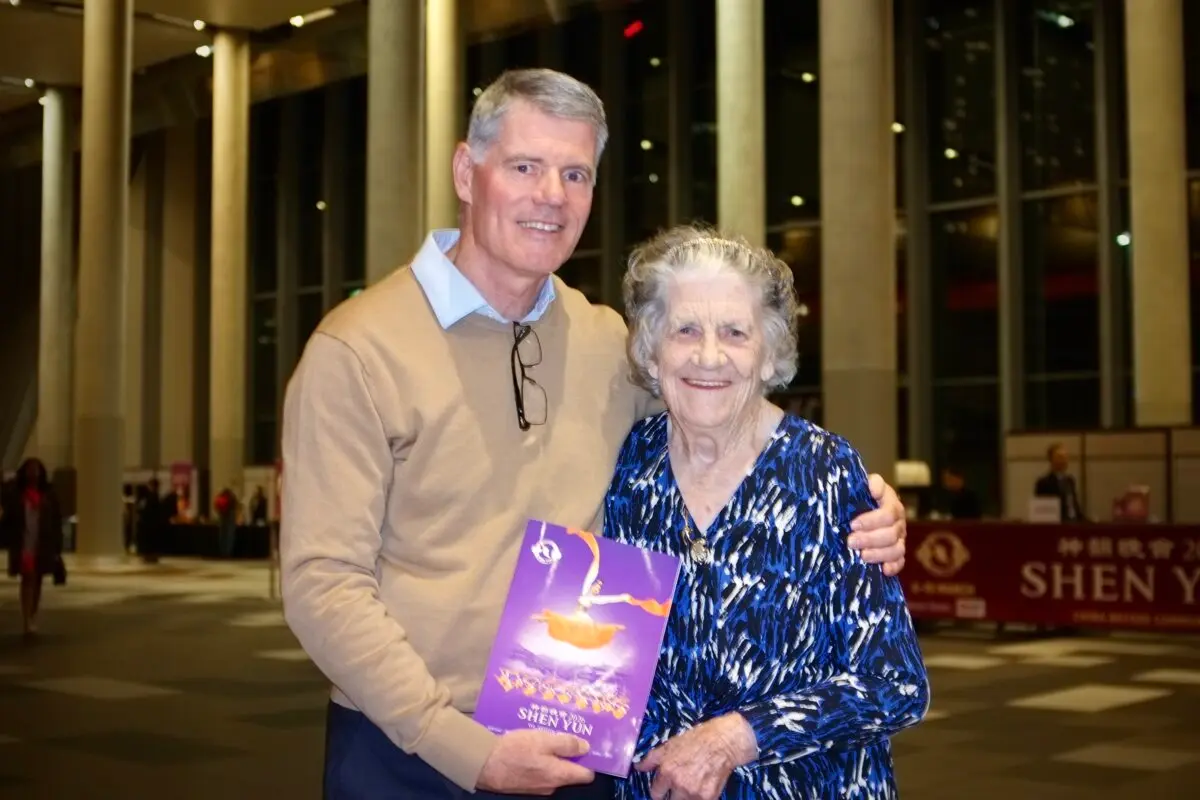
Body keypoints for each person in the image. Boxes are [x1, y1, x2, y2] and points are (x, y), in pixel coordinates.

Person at [280, 68, 909, 800]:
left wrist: (856, 498)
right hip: (410, 749)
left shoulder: (608, 342)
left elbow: (724, 422)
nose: (552, 195)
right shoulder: (359, 349)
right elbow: (322, 585)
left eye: (575, 173)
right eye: (525, 166)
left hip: (577, 744)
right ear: (465, 169)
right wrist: (460, 747)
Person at [605, 226, 928, 799]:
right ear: (651, 351)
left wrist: (735, 737)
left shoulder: (824, 473)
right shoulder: (631, 468)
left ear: (769, 354)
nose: (709, 355)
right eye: (685, 330)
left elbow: (894, 683)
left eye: (735, 332)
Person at [2, 458, 65, 637]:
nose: (33, 472)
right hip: (24, 543)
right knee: (27, 578)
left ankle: (33, 614)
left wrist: (57, 546)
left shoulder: (48, 494)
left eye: (36, 468)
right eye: (30, 468)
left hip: (42, 543)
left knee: (37, 580)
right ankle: (26, 618)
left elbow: (56, 521)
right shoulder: (17, 494)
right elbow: (9, 518)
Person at [1034, 442, 1085, 522]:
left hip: (1075, 523)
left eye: (1066, 457)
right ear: (1051, 459)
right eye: (1060, 457)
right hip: (1057, 525)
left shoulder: (1070, 480)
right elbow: (1042, 512)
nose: (1064, 460)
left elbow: (1074, 506)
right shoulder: (1044, 482)